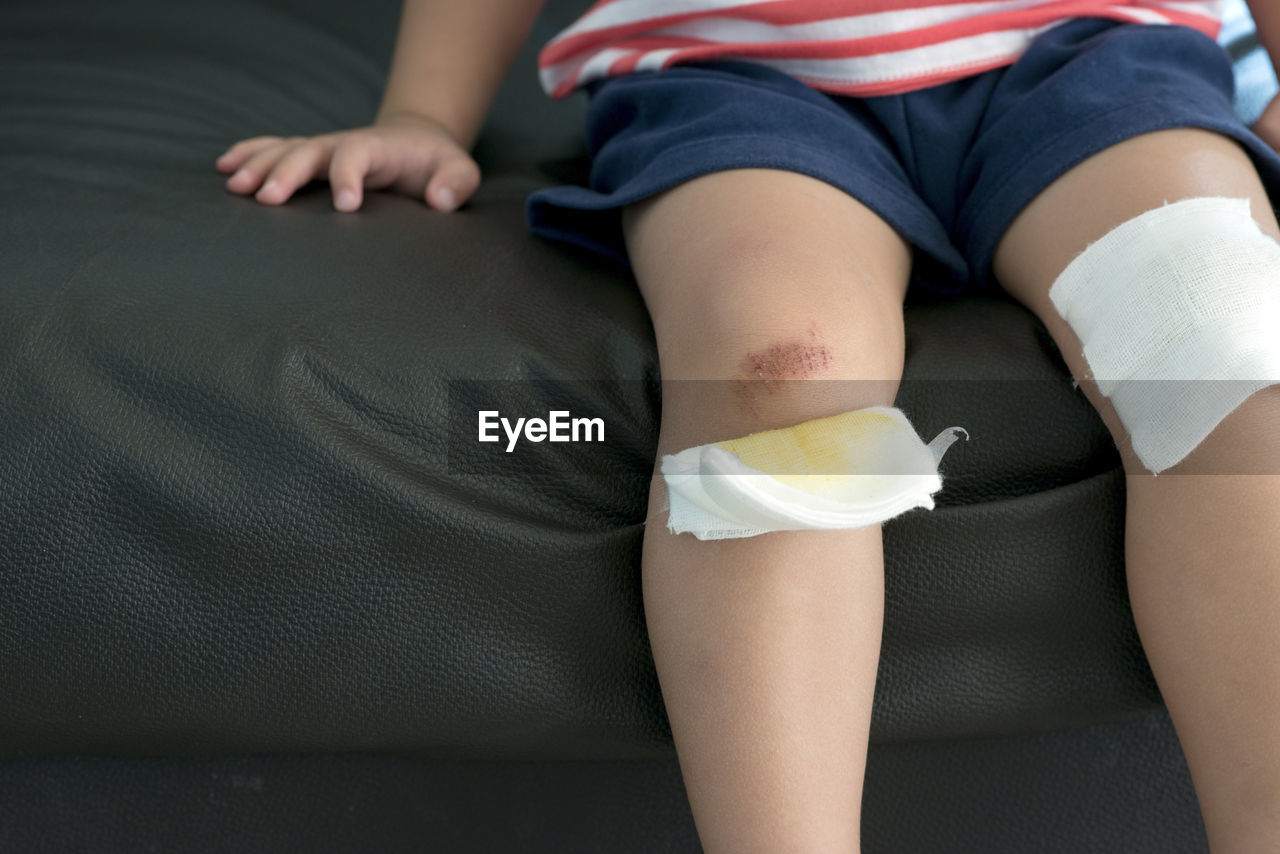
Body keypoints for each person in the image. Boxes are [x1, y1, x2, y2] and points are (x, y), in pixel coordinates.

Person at [215, 2, 1280, 850]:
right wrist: (424, 116)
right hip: (742, 73)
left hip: (1098, 58)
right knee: (778, 377)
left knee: (1225, 342)